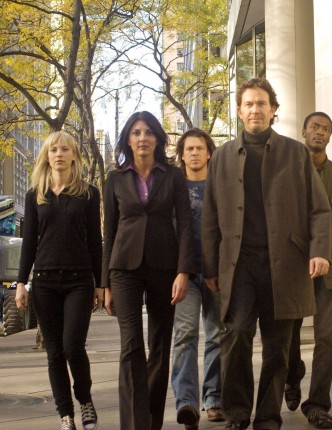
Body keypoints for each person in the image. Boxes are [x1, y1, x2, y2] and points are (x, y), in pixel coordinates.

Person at [201, 78, 332, 430]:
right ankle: (237, 413)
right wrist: (210, 267)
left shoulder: (296, 153)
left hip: (284, 265)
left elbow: (319, 209)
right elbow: (210, 216)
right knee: (236, 337)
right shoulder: (222, 156)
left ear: (273, 110)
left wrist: (320, 251)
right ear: (239, 111)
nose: (255, 109)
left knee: (278, 347)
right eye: (249, 104)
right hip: (238, 266)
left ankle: (268, 417)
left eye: (262, 103)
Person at [101, 111, 196, 430]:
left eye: (148, 132)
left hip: (164, 266)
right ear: (128, 139)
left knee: (159, 345)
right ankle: (134, 424)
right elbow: (109, 231)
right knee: (131, 345)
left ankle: (153, 422)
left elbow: (185, 224)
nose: (143, 138)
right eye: (136, 132)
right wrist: (105, 283)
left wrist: (183, 271)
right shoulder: (114, 178)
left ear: (157, 138)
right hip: (124, 268)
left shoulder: (174, 176)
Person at [15, 131, 101, 430]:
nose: (59, 154)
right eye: (53, 150)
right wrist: (21, 283)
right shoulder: (35, 195)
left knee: (72, 346)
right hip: (44, 282)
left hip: (79, 280)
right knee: (54, 353)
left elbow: (95, 242)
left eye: (65, 149)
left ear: (74, 155)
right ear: (47, 156)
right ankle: (66, 416)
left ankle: (85, 399)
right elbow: (28, 242)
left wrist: (100, 284)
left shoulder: (88, 194)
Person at [284, 112, 332, 429]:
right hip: (292, 270)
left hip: (331, 272)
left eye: (326, 129)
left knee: (328, 339)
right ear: (303, 131)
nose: (320, 132)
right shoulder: (286, 175)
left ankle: (317, 404)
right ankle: (292, 373)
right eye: (315, 127)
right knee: (287, 338)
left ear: (330, 136)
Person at [171, 128, 224, 430]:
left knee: (217, 336)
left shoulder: (220, 185)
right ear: (182, 154)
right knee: (185, 335)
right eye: (189, 148)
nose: (194, 153)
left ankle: (214, 398)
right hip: (185, 274)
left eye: (199, 148)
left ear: (209, 153)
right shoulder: (173, 187)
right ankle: (187, 403)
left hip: (217, 272)